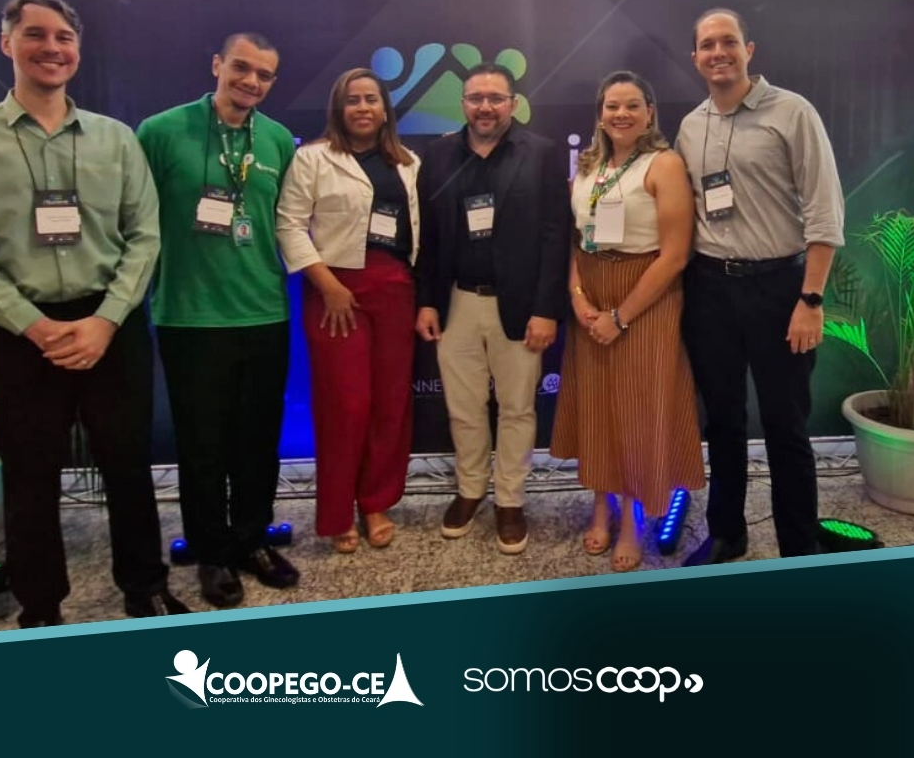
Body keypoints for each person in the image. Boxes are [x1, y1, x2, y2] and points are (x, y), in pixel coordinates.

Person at [0, 0, 188, 627]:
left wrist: (106, 320)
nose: (51, 48)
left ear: (78, 49)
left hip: (109, 327)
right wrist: (34, 326)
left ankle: (144, 586)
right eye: (35, 34)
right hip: (19, 331)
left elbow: (144, 235)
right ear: (6, 43)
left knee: (128, 467)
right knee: (30, 476)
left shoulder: (114, 139)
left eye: (64, 37)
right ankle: (40, 606)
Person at [676, 8, 844, 564]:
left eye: (728, 42)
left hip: (780, 289)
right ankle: (727, 532)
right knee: (723, 420)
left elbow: (824, 214)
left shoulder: (792, 112)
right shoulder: (691, 126)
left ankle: (798, 544)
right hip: (710, 290)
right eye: (707, 45)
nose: (718, 52)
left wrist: (811, 299)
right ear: (695, 58)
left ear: (749, 50)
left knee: (785, 423)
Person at [137, 32, 298, 610]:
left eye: (264, 74)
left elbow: (288, 221)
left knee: (258, 441)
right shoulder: (160, 132)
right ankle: (212, 553)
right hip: (189, 316)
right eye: (241, 68)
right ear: (216, 65)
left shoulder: (277, 139)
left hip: (263, 311)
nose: (251, 81)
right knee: (202, 446)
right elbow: (135, 218)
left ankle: (252, 540)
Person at [549, 71, 705, 572]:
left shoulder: (664, 164)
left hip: (645, 296)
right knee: (596, 407)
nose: (621, 114)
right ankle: (601, 506)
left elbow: (675, 255)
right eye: (612, 106)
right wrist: (577, 297)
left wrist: (620, 317)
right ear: (599, 114)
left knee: (637, 410)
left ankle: (634, 520)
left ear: (650, 112)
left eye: (632, 105)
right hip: (591, 292)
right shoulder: (588, 166)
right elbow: (576, 240)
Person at [415, 63, 570, 554]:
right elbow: (428, 236)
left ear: (513, 104)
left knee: (518, 408)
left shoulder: (541, 153)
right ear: (463, 103)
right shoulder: (438, 155)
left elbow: (556, 236)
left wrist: (546, 309)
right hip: (456, 301)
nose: (485, 107)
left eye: (496, 98)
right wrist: (426, 301)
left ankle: (509, 500)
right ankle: (469, 491)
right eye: (476, 98)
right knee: (463, 408)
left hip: (520, 305)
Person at [276, 68, 420, 553]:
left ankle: (375, 502)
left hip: (395, 289)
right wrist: (328, 286)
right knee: (345, 405)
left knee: (389, 403)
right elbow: (289, 224)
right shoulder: (312, 158)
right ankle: (338, 512)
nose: (363, 108)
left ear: (385, 109)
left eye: (371, 99)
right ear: (339, 109)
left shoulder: (408, 162)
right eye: (353, 100)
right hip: (335, 292)